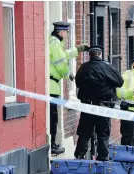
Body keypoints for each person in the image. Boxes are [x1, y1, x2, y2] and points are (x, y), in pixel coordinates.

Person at [74, 45, 124, 161]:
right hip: (103, 106)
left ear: (89, 55)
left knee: (84, 133)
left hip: (88, 106)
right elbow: (120, 82)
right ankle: (103, 157)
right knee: (103, 134)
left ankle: (80, 156)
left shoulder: (83, 67)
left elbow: (78, 83)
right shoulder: (107, 67)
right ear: (100, 54)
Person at [49, 21, 89, 155]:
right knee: (53, 118)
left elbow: (63, 55)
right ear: (60, 32)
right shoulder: (54, 43)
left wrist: (77, 50)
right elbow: (60, 62)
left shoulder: (55, 43)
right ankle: (53, 145)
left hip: (53, 86)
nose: (66, 34)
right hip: (51, 86)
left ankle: (54, 143)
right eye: (66, 31)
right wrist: (69, 74)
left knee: (53, 117)